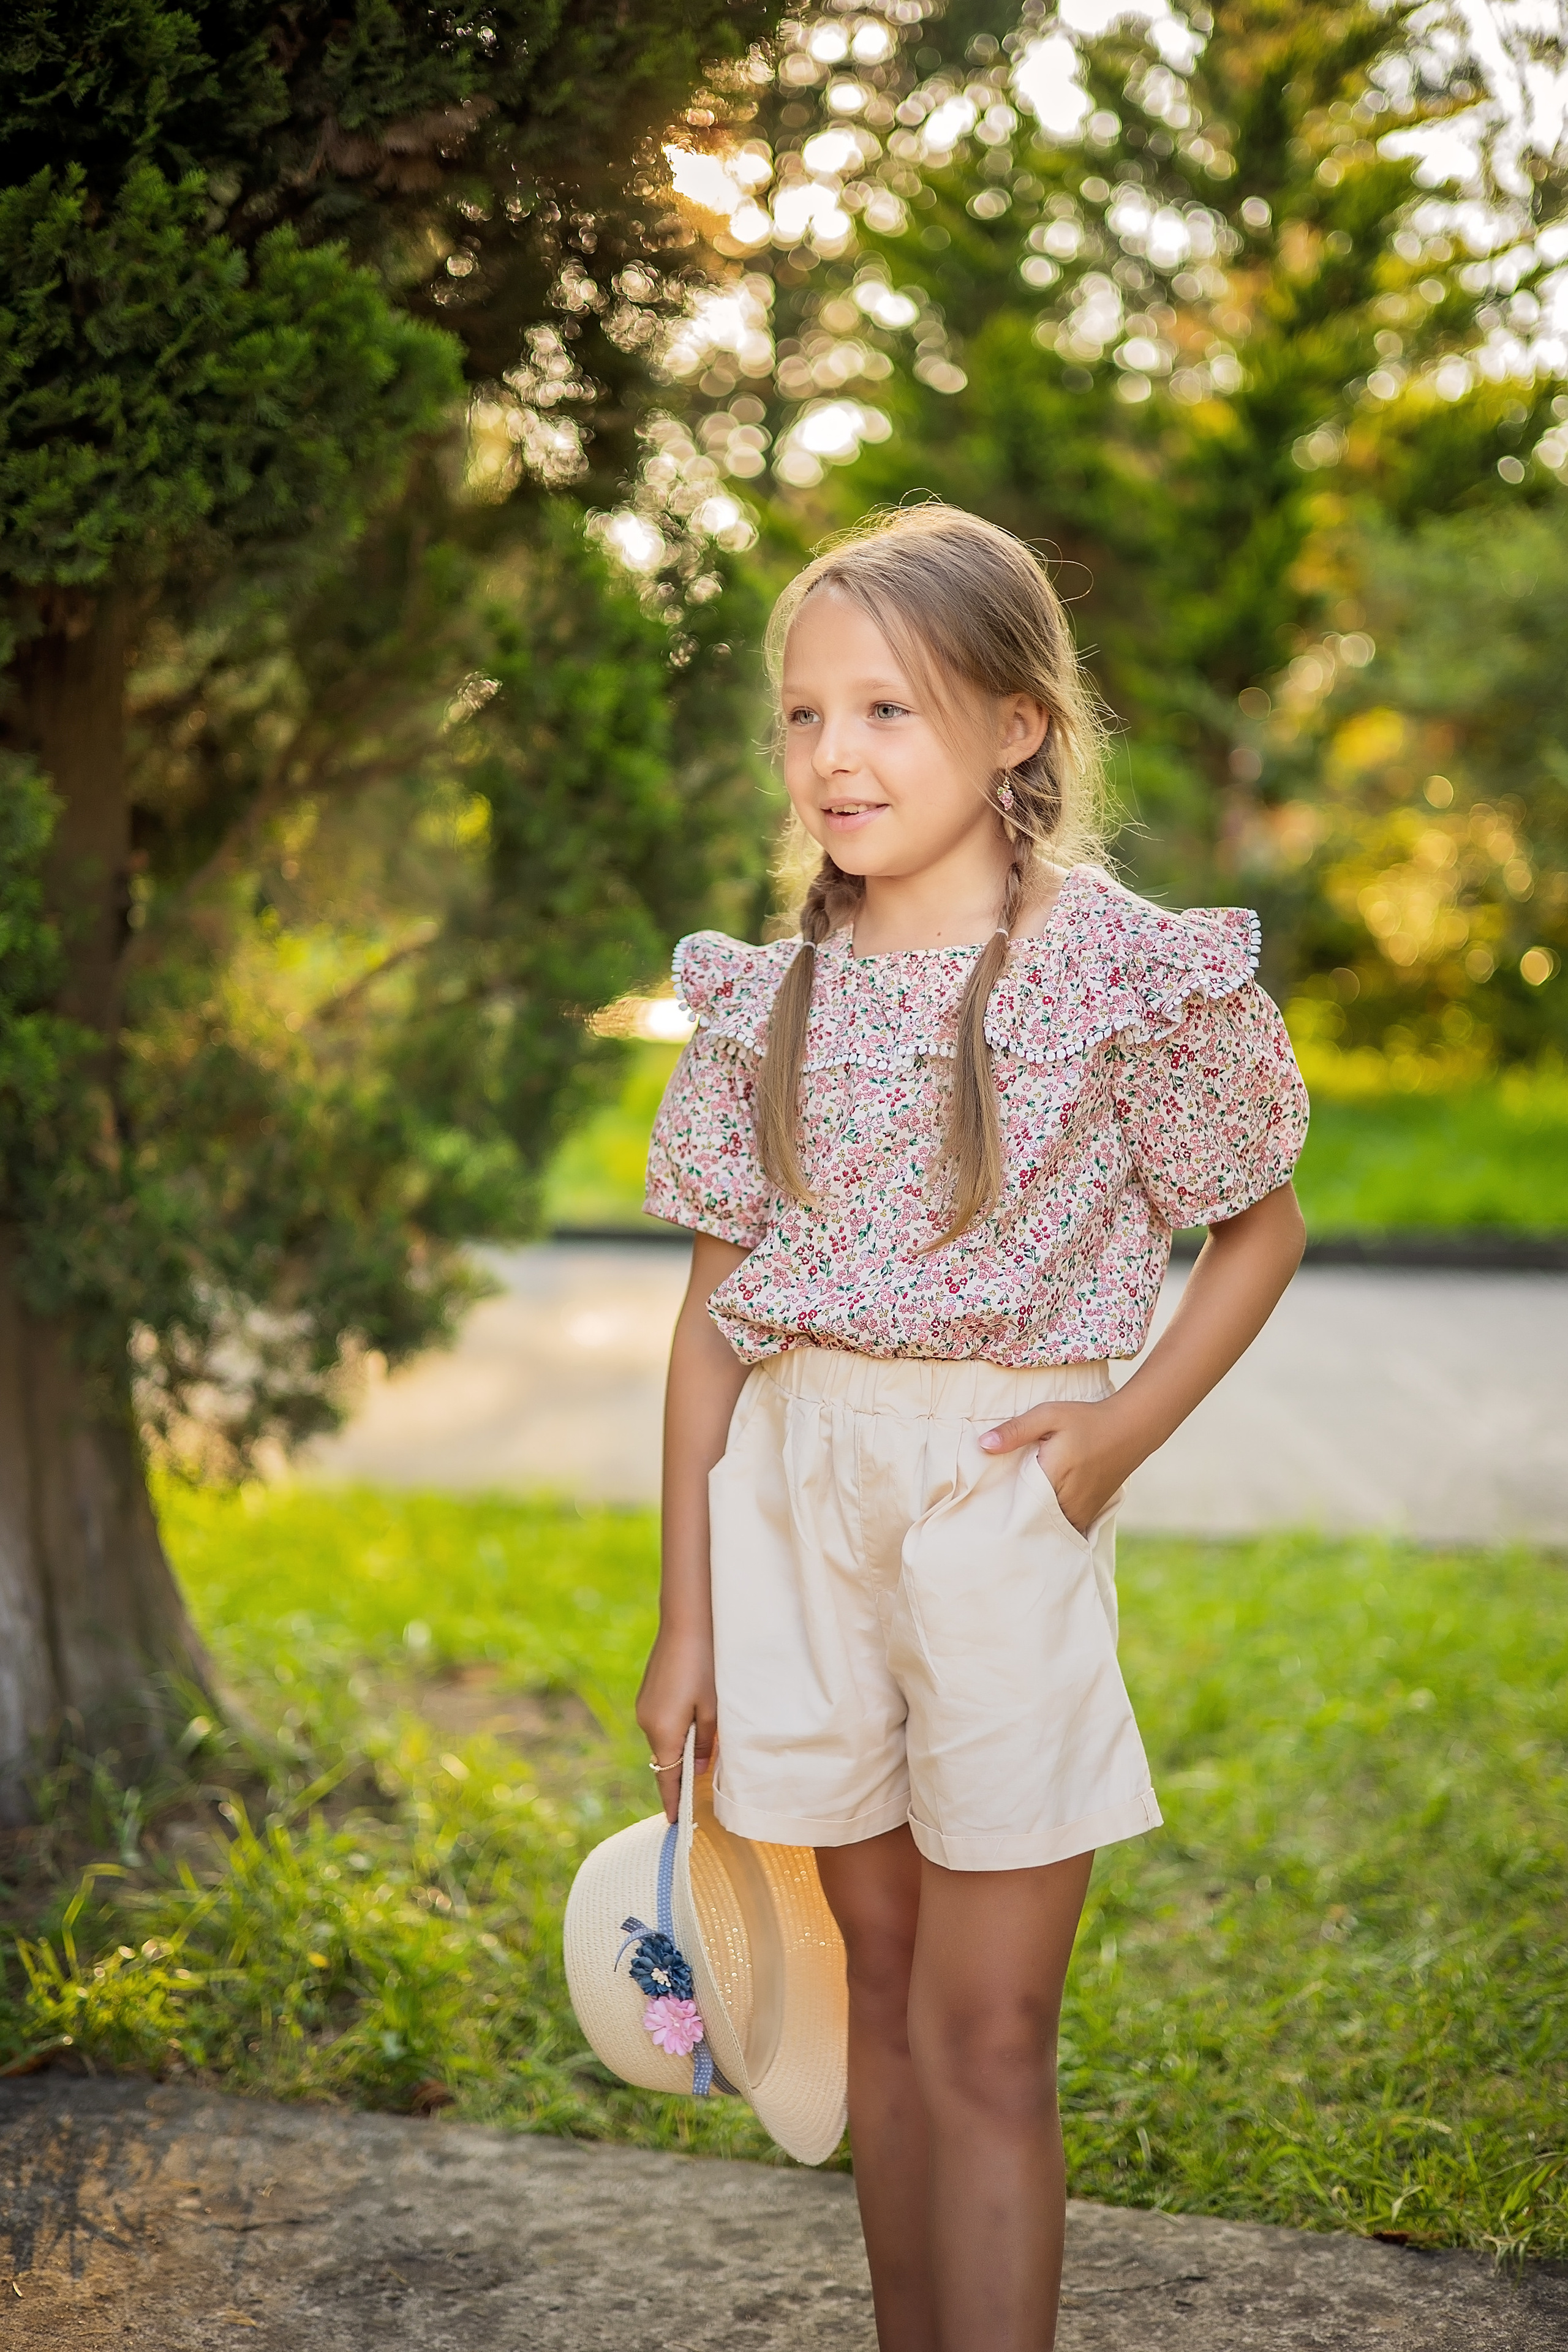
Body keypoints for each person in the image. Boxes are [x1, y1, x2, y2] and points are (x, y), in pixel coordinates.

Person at [636, 504, 1309, 2352]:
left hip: (997, 1501)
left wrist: (1111, 1443)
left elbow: (1260, 1226)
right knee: (881, 2010)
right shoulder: (765, 996)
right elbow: (709, 1334)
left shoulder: (1118, 977)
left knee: (988, 2031)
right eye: (803, 717)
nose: (834, 757)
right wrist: (687, 1617)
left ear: (1018, 724)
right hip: (793, 1498)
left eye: (888, 712)